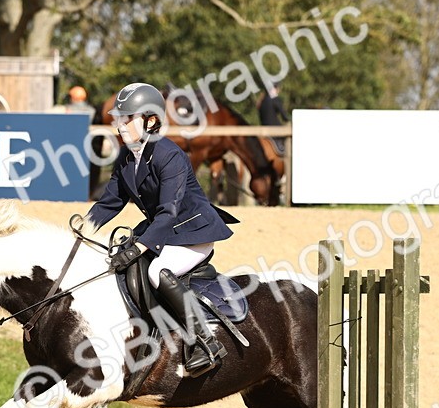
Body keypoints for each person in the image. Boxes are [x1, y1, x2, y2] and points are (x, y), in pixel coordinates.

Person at [86, 82, 238, 376]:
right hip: (163, 230)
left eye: (127, 118)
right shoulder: (127, 156)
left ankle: (204, 342)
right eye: (119, 118)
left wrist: (139, 248)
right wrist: (81, 229)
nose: (120, 125)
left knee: (157, 272)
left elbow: (168, 212)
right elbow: (110, 202)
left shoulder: (170, 155)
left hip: (193, 232)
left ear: (151, 120)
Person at [257, 81, 288, 154]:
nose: (278, 91)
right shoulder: (275, 100)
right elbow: (284, 117)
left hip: (264, 129)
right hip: (275, 130)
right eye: (278, 89)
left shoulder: (262, 101)